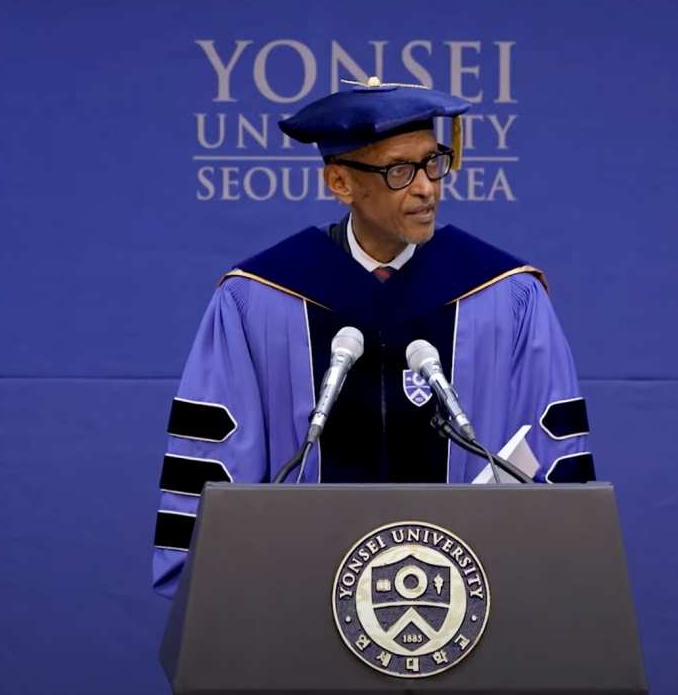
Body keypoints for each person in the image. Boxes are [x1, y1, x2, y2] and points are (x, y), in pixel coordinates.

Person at [151, 77, 595, 598]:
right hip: (301, 601)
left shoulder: (506, 296)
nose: (428, 187)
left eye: (434, 162)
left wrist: (557, 576)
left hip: (478, 603)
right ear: (340, 183)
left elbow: (549, 456)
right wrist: (216, 588)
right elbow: (216, 466)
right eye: (399, 171)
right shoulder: (258, 300)